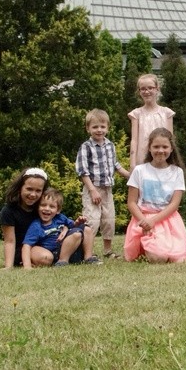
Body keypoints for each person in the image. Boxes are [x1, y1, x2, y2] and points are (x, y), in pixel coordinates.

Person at [124, 127, 186, 263]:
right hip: (143, 219)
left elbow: (174, 204)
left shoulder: (177, 172)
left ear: (171, 149)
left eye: (164, 147)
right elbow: (131, 202)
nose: (160, 151)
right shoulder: (139, 170)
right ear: (149, 148)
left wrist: (154, 220)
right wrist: (144, 222)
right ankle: (145, 247)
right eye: (156, 146)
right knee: (158, 258)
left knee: (179, 259)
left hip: (168, 220)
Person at [75, 108, 130, 259]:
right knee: (92, 220)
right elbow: (82, 171)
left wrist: (130, 176)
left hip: (107, 189)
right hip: (92, 188)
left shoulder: (110, 145)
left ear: (107, 127)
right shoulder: (86, 147)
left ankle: (108, 250)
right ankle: (88, 252)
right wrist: (92, 190)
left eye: (102, 126)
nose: (99, 130)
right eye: (95, 127)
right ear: (88, 128)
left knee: (109, 219)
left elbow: (116, 165)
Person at [21, 189, 101, 268]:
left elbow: (73, 226)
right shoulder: (36, 225)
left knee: (86, 229)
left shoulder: (60, 218)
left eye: (52, 206)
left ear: (58, 210)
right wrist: (27, 266)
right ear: (37, 207)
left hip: (70, 249)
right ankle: (62, 261)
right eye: (43, 205)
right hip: (52, 252)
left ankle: (88, 257)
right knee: (75, 235)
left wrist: (78, 222)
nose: (47, 209)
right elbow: (27, 245)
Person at [0, 168, 50, 268]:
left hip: (46, 245)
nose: (33, 194)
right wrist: (8, 267)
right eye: (29, 189)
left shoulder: (43, 209)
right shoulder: (8, 211)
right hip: (23, 249)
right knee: (45, 258)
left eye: (38, 191)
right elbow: (9, 241)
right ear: (20, 188)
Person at [128, 73, 175, 170]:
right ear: (139, 91)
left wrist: (172, 162)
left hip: (162, 159)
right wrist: (132, 164)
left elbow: (171, 139)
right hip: (142, 161)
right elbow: (134, 140)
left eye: (150, 88)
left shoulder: (167, 113)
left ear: (157, 89)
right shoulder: (136, 114)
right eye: (143, 89)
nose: (147, 91)